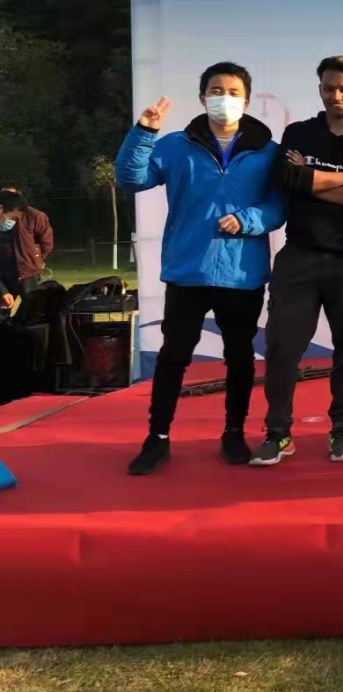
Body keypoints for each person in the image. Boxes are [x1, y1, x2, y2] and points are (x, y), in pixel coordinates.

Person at [114, 62, 285, 475]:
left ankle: (233, 432)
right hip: (188, 270)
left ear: (246, 100)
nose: (224, 98)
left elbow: (279, 206)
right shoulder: (176, 145)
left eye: (233, 92)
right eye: (216, 91)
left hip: (241, 274)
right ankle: (157, 438)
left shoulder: (268, 150)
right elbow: (131, 179)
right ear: (202, 97)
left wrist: (247, 220)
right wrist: (144, 132)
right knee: (174, 357)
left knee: (240, 358)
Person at [250, 56, 343, 467]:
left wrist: (310, 178)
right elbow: (285, 179)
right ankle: (278, 433)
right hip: (300, 256)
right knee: (282, 346)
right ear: (320, 90)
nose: (336, 96)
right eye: (329, 88)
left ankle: (342, 430)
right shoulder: (299, 133)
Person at [0, 190, 54, 313]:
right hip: (3, 275)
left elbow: (47, 244)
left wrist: (35, 260)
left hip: (28, 274)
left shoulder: (35, 217)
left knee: (32, 312)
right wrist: (2, 291)